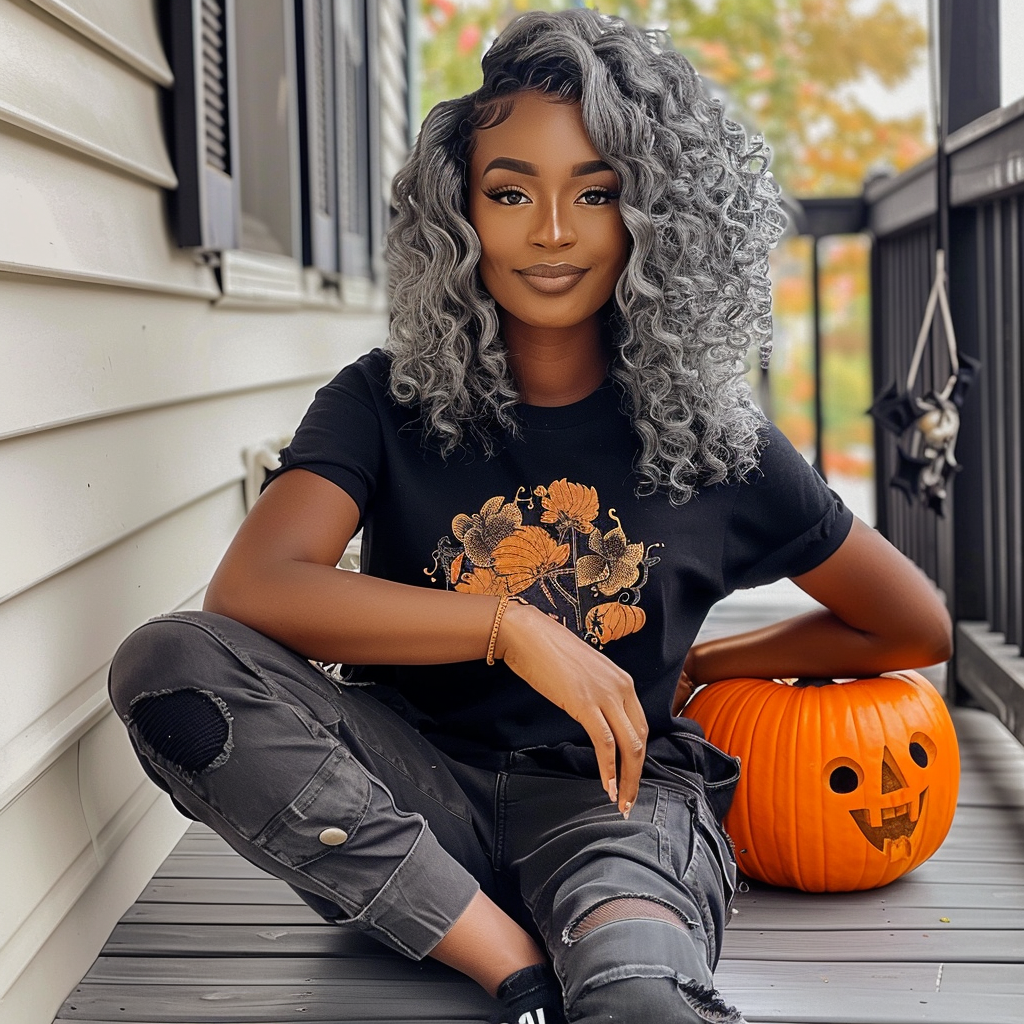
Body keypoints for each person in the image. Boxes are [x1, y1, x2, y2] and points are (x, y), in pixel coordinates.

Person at [108, 10, 952, 1023]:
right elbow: (253, 588)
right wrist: (510, 627)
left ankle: (582, 958)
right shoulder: (383, 398)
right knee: (169, 664)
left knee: (642, 995)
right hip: (405, 793)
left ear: (655, 218)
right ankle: (503, 958)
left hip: (618, 809)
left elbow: (911, 624)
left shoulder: (717, 436)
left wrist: (706, 668)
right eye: (509, 192)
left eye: (594, 193)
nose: (550, 232)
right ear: (458, 212)